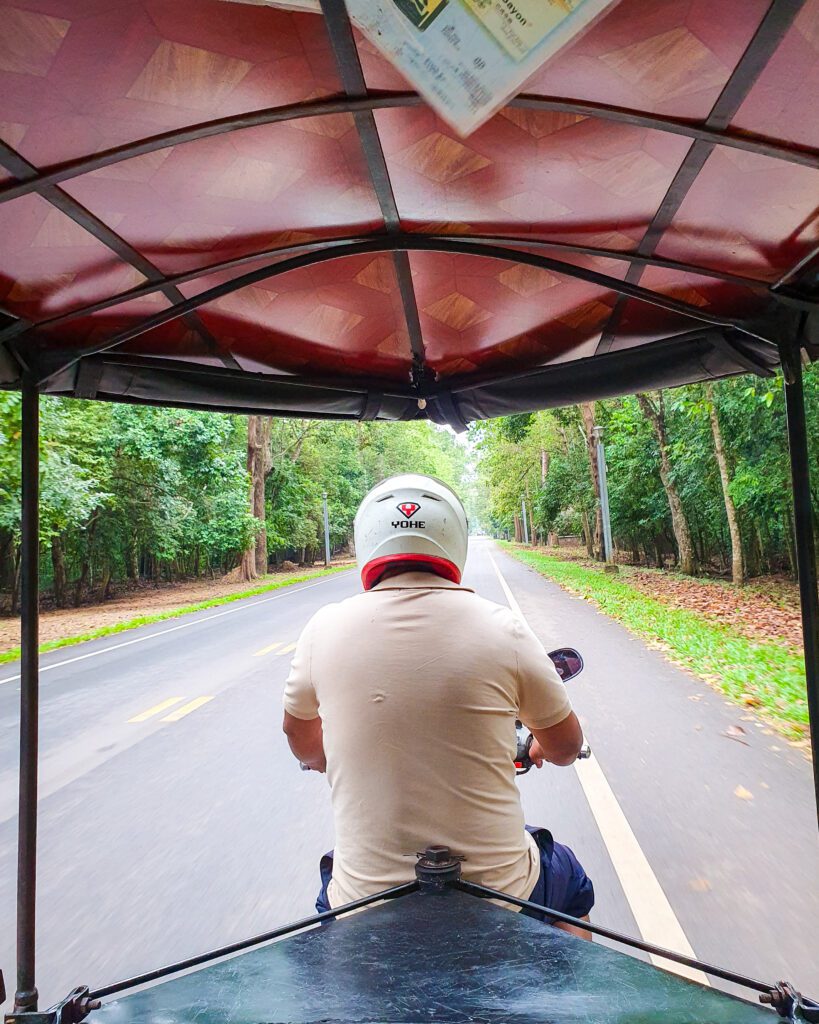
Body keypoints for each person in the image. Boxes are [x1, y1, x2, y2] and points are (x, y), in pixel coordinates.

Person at [282, 473, 594, 937]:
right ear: (453, 539)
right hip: (504, 896)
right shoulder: (503, 628)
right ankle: (575, 1000)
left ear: (368, 539)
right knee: (571, 884)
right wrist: (540, 749)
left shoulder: (322, 629)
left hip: (362, 905)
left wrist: (328, 757)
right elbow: (568, 746)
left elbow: (302, 743)